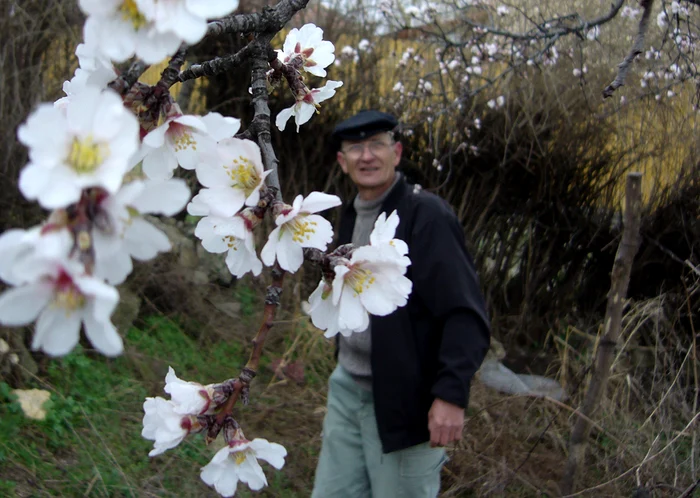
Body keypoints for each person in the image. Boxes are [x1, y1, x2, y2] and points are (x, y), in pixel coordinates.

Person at [311, 110, 491, 498]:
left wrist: (450, 393)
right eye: (355, 148)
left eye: (376, 144)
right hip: (347, 387)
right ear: (342, 161)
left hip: (405, 401)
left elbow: (465, 314)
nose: (367, 156)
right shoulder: (348, 216)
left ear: (397, 152)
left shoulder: (426, 216)